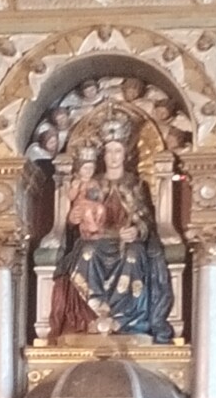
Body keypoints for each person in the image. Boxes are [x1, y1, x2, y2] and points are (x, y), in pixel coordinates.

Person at [49, 128, 173, 343]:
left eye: (118, 151)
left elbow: (146, 220)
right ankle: (94, 315)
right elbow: (79, 215)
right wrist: (73, 219)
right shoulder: (93, 183)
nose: (113, 157)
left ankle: (126, 320)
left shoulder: (135, 184)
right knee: (86, 254)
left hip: (127, 242)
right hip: (96, 239)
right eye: (109, 151)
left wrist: (136, 231)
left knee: (133, 256)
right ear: (103, 156)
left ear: (125, 154)